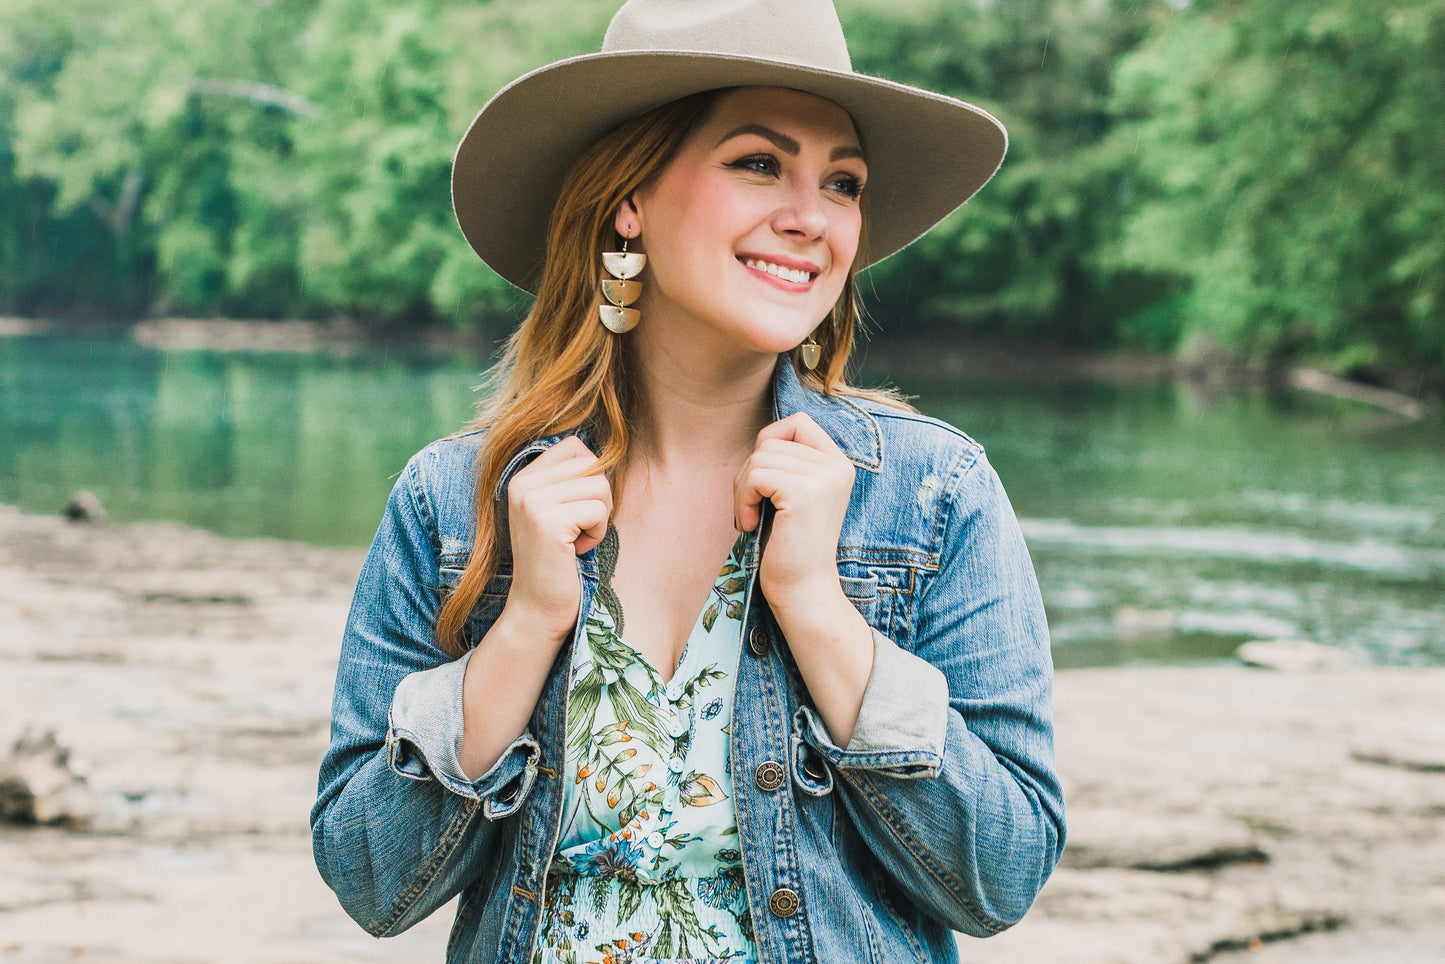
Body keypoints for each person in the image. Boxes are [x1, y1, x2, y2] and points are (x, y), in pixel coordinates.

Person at [311, 1, 1065, 962]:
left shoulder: (931, 492)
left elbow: (1000, 877)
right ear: (630, 198)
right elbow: (369, 879)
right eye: (759, 163)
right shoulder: (456, 501)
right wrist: (527, 625)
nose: (809, 217)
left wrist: (817, 608)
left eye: (843, 182)